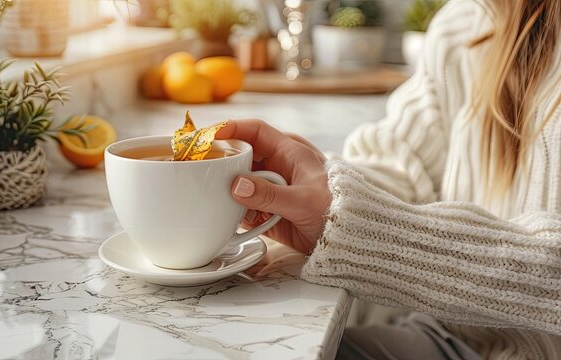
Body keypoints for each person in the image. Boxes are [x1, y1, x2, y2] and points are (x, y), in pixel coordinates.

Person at [215, 0, 560, 358]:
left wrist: (350, 228)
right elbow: (403, 165)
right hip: (449, 338)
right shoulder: (466, 23)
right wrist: (319, 188)